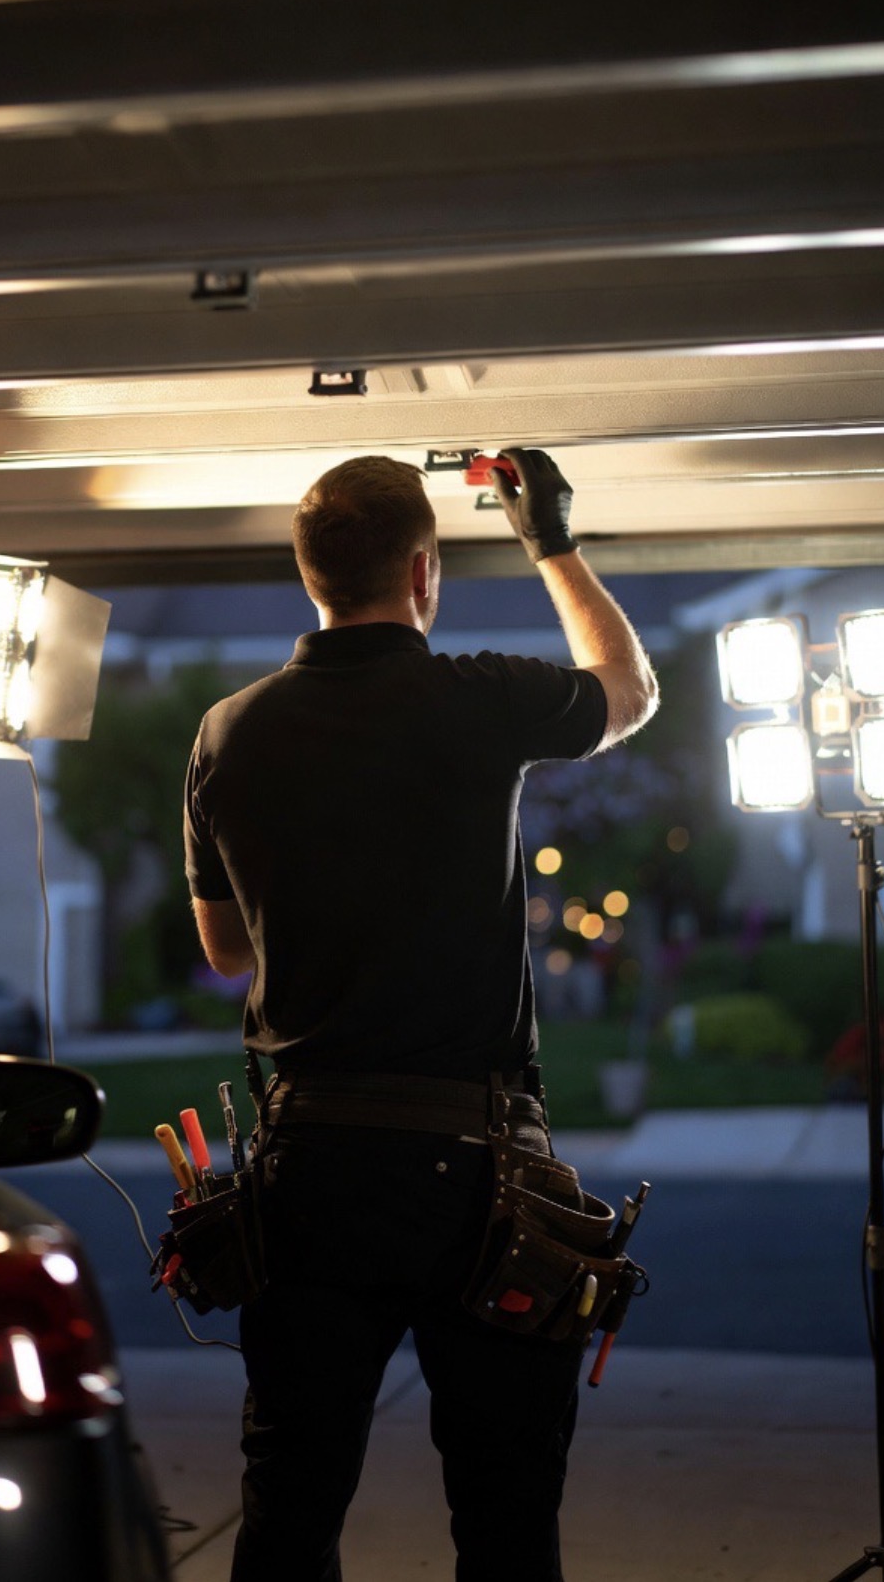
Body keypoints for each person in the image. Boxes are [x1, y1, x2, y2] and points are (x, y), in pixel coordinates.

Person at [183, 447, 658, 1582]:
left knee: (289, 1509)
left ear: (312, 576)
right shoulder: (478, 698)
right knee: (503, 1516)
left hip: (309, 1170)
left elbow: (224, 946)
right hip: (477, 1174)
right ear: (423, 571)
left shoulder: (226, 731)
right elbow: (629, 689)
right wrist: (549, 539)